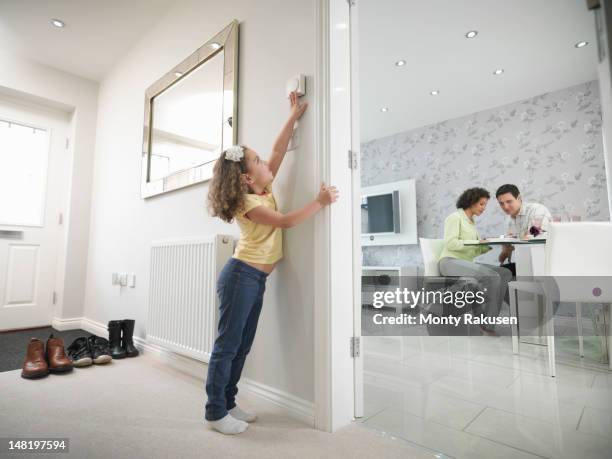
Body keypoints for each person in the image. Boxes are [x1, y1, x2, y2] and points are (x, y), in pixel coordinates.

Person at [204, 92, 339, 435]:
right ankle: (215, 411)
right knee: (228, 345)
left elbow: (279, 151)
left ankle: (229, 402)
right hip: (241, 277)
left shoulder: (262, 188)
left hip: (256, 280)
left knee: (243, 345)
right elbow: (286, 222)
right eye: (258, 161)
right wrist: (320, 202)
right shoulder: (248, 203)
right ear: (247, 178)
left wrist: (292, 116)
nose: (267, 163)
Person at [438, 187, 512, 336]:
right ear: (471, 202)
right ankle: (486, 325)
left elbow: (473, 249)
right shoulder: (455, 218)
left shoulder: (471, 222)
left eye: (485, 205)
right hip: (450, 262)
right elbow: (451, 244)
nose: (484, 208)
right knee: (491, 277)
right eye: (481, 204)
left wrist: (489, 244)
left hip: (465, 263)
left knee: (505, 272)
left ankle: (486, 320)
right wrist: (475, 243)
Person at [496, 184, 552, 276]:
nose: (505, 207)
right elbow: (508, 246)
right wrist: (505, 249)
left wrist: (510, 241)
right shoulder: (510, 220)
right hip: (526, 263)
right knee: (495, 273)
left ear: (519, 198)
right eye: (501, 203)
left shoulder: (536, 210)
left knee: (500, 274)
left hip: (542, 264)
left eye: (509, 201)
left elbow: (532, 235)